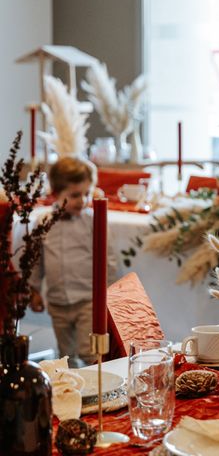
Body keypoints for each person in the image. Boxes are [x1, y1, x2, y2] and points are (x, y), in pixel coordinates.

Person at [28, 157, 117, 367]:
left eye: (87, 193)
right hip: (57, 301)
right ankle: (69, 390)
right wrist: (34, 289)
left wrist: (109, 292)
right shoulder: (44, 222)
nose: (82, 200)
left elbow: (108, 259)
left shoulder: (93, 221)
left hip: (88, 300)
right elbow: (35, 259)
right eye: (75, 195)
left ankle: (96, 388)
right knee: (64, 356)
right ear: (56, 194)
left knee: (90, 352)